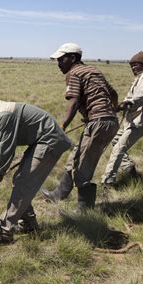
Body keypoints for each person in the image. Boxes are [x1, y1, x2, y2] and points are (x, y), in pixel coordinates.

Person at [0, 83, 71, 245]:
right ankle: (29, 224)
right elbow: (8, 149)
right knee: (20, 181)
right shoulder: (0, 113)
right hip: (40, 141)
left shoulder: (4, 115)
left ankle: (2, 232)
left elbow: (6, 151)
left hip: (48, 141)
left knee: (23, 184)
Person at [41, 43, 119, 212]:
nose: (59, 64)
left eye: (61, 59)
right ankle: (58, 195)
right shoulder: (94, 71)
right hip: (106, 122)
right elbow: (113, 94)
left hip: (99, 123)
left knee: (83, 167)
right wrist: (113, 108)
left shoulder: (74, 72)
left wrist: (61, 126)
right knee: (75, 158)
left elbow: (74, 101)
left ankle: (84, 212)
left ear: (73, 58)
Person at [101, 51, 143, 186]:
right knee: (114, 140)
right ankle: (128, 168)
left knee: (118, 149)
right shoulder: (139, 78)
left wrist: (129, 103)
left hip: (140, 121)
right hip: (132, 121)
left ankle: (108, 181)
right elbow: (131, 99)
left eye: (136, 65)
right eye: (131, 65)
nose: (133, 68)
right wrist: (119, 106)